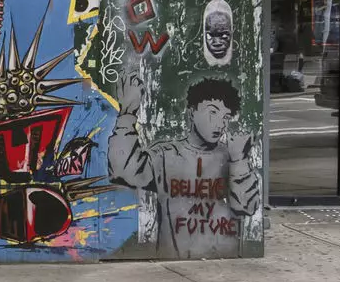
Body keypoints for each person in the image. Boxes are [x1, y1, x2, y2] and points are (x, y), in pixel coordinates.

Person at [108, 64, 260, 258]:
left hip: (223, 265)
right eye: (212, 112)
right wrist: (127, 113)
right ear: (191, 113)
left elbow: (247, 207)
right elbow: (122, 170)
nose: (220, 123)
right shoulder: (166, 155)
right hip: (175, 261)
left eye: (226, 117)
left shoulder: (231, 156)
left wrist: (239, 160)